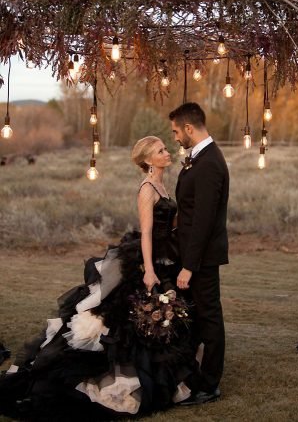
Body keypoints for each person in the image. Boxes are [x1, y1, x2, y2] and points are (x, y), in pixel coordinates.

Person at [0, 136, 196, 422]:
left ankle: (159, 375)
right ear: (147, 160)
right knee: (127, 318)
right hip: (147, 258)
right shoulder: (146, 189)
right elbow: (146, 232)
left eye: (165, 149)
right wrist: (150, 270)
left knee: (160, 318)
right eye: (160, 151)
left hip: (167, 254)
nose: (167, 153)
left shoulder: (163, 185)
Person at [169, 102, 229, 405]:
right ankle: (193, 373)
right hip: (193, 254)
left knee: (210, 317)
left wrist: (189, 266)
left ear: (189, 129)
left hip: (203, 258)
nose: (176, 138)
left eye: (177, 131)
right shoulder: (199, 158)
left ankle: (210, 384)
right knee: (196, 316)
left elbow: (204, 221)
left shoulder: (209, 164)